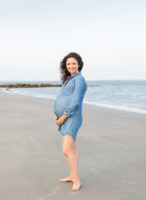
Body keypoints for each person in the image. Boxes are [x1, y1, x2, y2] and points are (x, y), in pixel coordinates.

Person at [53, 52, 87, 191]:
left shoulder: (79, 79)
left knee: (66, 150)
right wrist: (58, 114)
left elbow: (76, 101)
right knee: (72, 149)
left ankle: (77, 180)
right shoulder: (70, 78)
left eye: (73, 63)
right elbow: (64, 97)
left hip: (72, 118)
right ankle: (73, 175)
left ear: (79, 64)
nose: (71, 66)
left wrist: (63, 116)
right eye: (68, 64)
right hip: (66, 118)